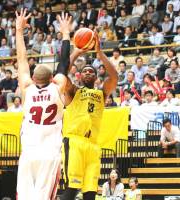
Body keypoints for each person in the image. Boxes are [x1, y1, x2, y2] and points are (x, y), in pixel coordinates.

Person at [16, 9, 72, 200]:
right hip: (50, 155)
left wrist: (18, 31)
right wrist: (66, 33)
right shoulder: (58, 87)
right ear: (52, 78)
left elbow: (21, 59)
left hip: (29, 153)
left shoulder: (26, 88)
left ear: (32, 78)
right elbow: (64, 62)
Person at [61, 33, 118, 200]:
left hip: (93, 145)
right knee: (72, 189)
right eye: (84, 71)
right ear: (80, 76)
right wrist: (77, 52)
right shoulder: (73, 91)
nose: (87, 72)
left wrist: (100, 54)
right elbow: (62, 73)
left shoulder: (101, 93)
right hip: (74, 141)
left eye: (91, 71)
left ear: (95, 77)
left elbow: (114, 77)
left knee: (90, 193)